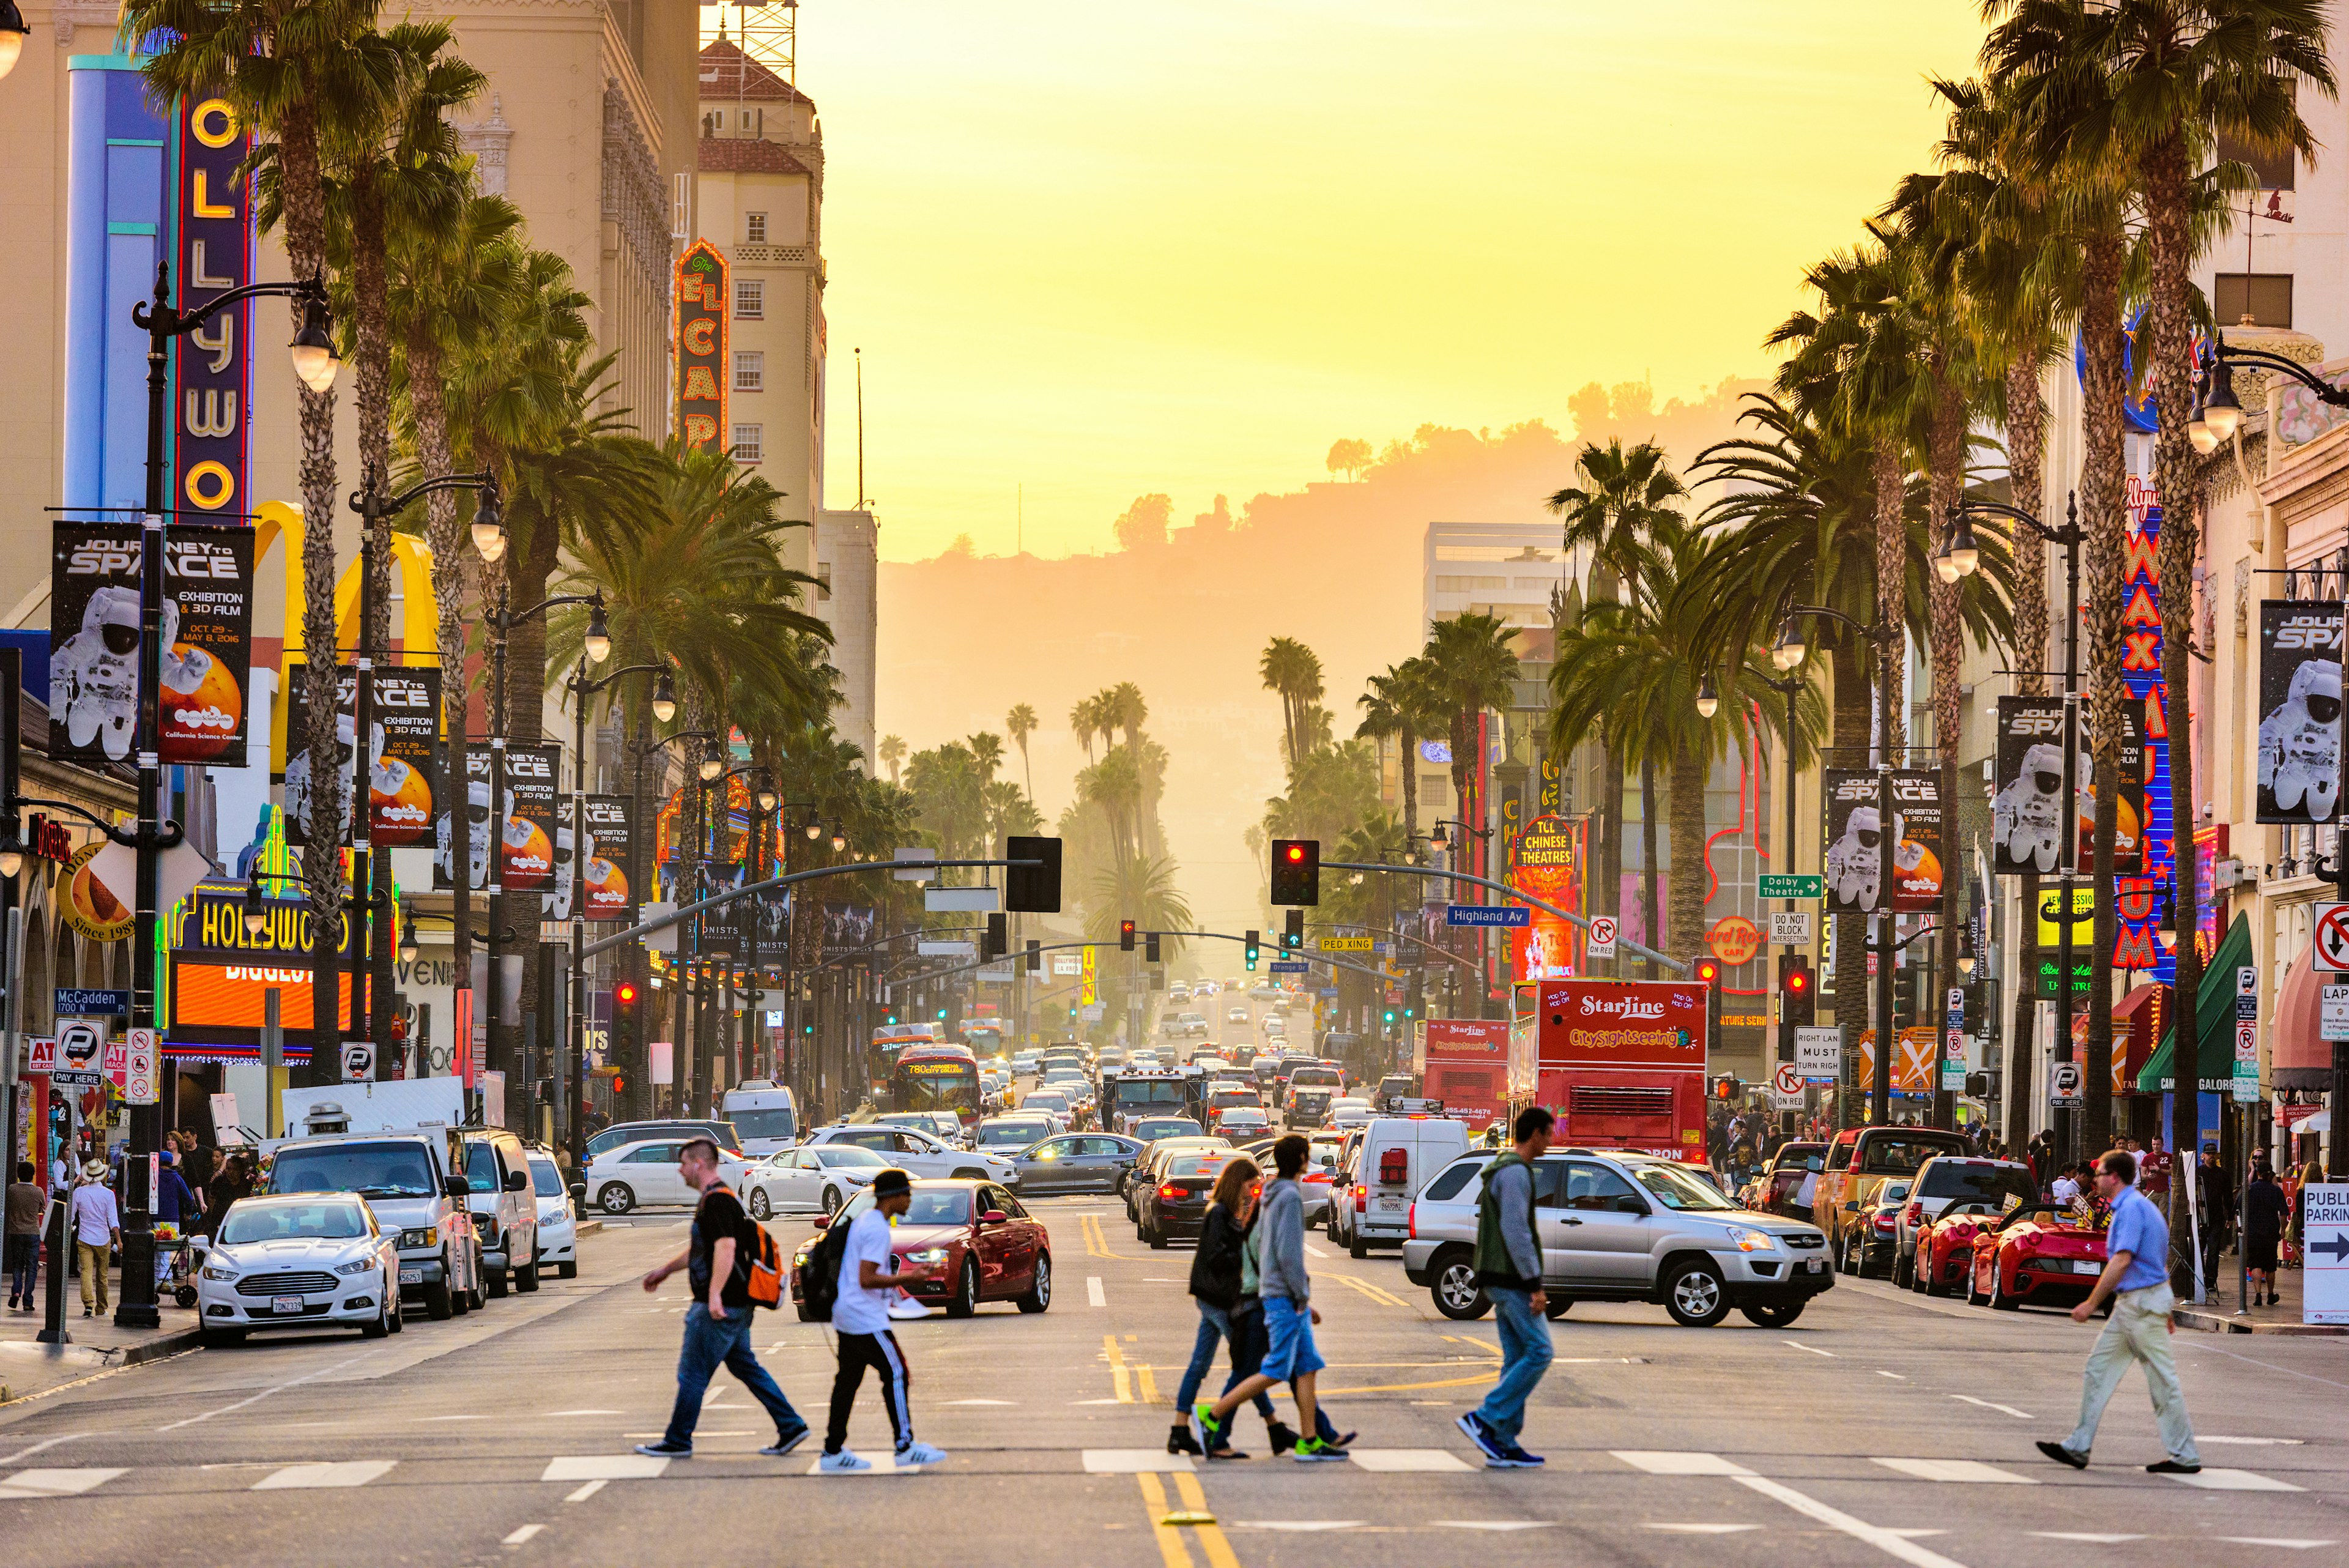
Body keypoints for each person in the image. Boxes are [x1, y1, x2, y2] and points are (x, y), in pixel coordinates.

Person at [634, 1137, 809, 1460]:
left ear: (699, 1164)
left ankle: (678, 1439)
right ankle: (791, 1425)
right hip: (736, 1302)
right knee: (746, 1367)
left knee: (693, 1372)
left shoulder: (717, 1202)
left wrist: (714, 1296)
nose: (680, 1169)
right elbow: (707, 1249)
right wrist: (665, 1271)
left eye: (684, 1163)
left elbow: (726, 1248)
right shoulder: (719, 1200)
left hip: (721, 1305)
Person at [2036, 1148, 2201, 1475]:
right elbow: (2156, 1261)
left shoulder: (2129, 1210)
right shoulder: (2142, 1207)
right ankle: (2078, 1446)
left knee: (2162, 1381)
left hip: (2139, 1306)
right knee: (2099, 1369)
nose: (2095, 1180)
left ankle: (2185, 1456)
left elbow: (2122, 1260)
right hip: (2136, 1305)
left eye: (2100, 1175)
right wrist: (2165, 1307)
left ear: (2114, 1177)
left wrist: (2091, 1303)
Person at [1191, 1134, 1348, 1462]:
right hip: (1284, 1296)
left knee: (1307, 1366)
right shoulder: (1290, 1196)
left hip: (1278, 1294)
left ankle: (1310, 1439)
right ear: (1303, 1160)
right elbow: (1288, 1253)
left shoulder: (1270, 1194)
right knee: (1276, 1369)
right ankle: (1214, 1414)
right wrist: (1301, 1294)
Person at [820, 1167, 948, 1472]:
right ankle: (905, 1446)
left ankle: (832, 1451)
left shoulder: (866, 1220)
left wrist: (900, 1286)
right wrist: (910, 1276)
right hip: (865, 1318)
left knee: (847, 1382)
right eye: (908, 1195)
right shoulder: (876, 1227)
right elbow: (866, 1278)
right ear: (893, 1197)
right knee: (897, 1373)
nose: (910, 1201)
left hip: (848, 1313)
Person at [1168, 1156, 1285, 1457]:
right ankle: (1266, 1427)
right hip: (1218, 1298)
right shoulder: (1219, 1213)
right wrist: (1246, 1260)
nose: (1254, 1190)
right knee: (1247, 1367)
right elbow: (1218, 1257)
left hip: (1212, 1297)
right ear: (1238, 1183)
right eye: (1251, 1184)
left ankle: (1180, 1430)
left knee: (1201, 1365)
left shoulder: (1228, 1212)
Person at [1459, 1106, 1556, 1468]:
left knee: (1517, 1357)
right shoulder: (1515, 1173)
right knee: (1541, 1351)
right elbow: (1517, 1231)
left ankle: (1502, 1441)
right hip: (1509, 1276)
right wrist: (1534, 1284)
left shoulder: (1505, 1166)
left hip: (1496, 1274)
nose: (1553, 1140)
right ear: (1536, 1134)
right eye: (1550, 1133)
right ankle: (1486, 1417)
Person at [69, 1158, 119, 1317]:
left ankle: (88, 1304)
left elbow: (70, 1217)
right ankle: (101, 1307)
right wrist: (119, 1239)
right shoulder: (109, 1194)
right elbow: (113, 1220)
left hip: (84, 1238)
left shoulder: (79, 1193)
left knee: (86, 1272)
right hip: (103, 1239)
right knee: (102, 1275)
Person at [2244, 1158, 2287, 1308]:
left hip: (2253, 1233)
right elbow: (2283, 1213)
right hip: (2270, 1233)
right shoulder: (2276, 1191)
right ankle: (2270, 1294)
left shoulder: (2251, 1190)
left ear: (2259, 1174)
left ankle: (2258, 1295)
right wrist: (2283, 1229)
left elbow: (2240, 1208)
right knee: (2270, 1266)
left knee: (2256, 1265)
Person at [6, 1161, 42, 1310]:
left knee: (17, 1265)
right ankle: (28, 1300)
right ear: (33, 1175)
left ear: (18, 1175)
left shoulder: (12, 1190)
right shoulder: (38, 1191)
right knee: (32, 1267)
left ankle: (16, 1291)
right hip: (33, 1232)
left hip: (15, 1231)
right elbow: (42, 1206)